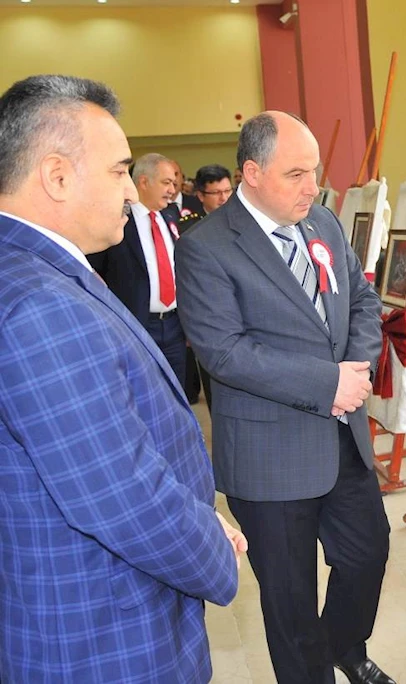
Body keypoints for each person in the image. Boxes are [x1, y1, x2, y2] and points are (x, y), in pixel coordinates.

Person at [0, 74, 246, 682]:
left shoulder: (36, 270)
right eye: (118, 172)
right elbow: (120, 491)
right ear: (57, 176)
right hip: (105, 633)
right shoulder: (39, 304)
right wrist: (212, 550)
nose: (131, 192)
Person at [175, 111, 392, 684]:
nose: (311, 186)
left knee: (367, 555)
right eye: (295, 174)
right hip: (270, 456)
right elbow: (224, 352)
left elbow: (362, 300)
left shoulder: (323, 222)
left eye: (314, 171)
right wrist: (327, 383)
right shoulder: (206, 247)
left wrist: (355, 369)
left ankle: (343, 647)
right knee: (291, 601)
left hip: (342, 438)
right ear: (252, 173)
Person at [89, 152, 189, 387]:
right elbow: (93, 270)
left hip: (174, 326)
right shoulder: (116, 220)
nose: (172, 189)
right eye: (166, 182)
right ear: (143, 182)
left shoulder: (171, 215)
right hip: (135, 325)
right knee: (142, 390)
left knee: (176, 391)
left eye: (174, 183)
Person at [178, 163, 235, 409]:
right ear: (200, 195)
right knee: (216, 390)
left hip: (243, 315)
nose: (224, 198)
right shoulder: (187, 229)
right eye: (216, 193)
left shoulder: (242, 222)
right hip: (209, 319)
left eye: (228, 191)